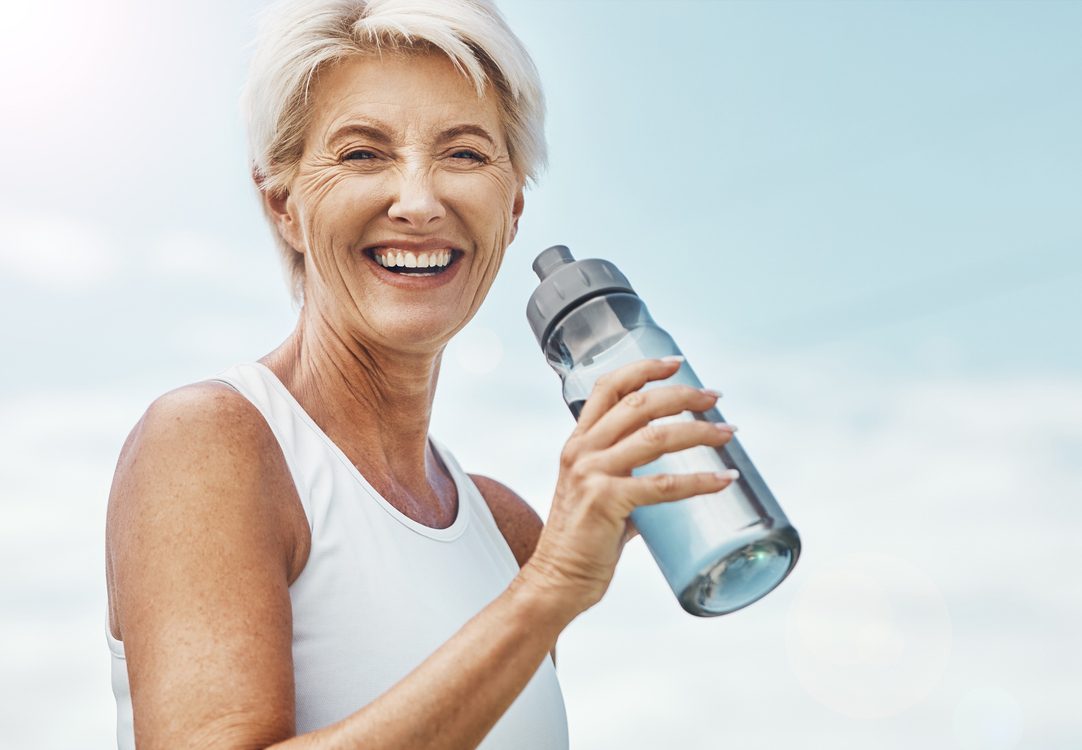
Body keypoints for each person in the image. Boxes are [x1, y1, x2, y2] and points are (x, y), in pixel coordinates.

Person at [103, 1, 737, 747]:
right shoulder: (212, 443)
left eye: (465, 155)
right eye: (363, 154)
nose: (419, 202)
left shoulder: (507, 529)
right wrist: (548, 592)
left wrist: (548, 573)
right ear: (284, 205)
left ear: (513, 208)